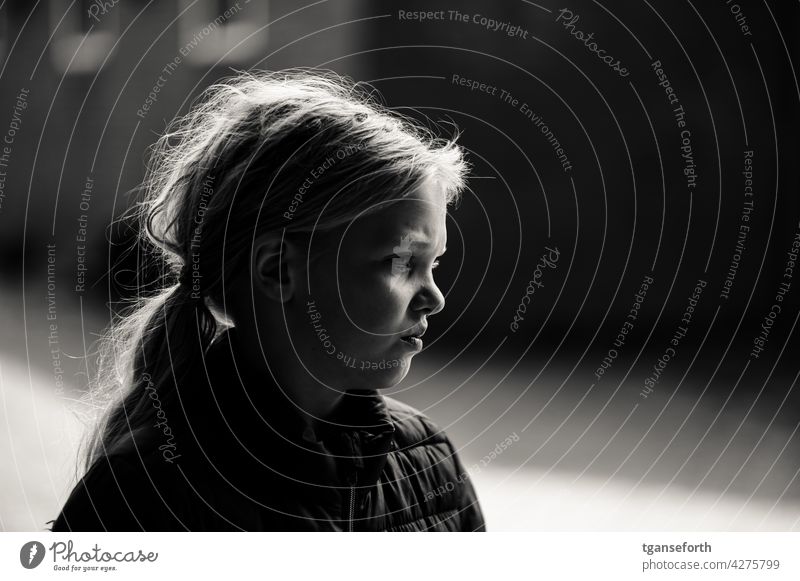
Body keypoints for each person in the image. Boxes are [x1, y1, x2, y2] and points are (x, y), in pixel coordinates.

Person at [49, 69, 485, 532]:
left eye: (432, 264)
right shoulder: (145, 499)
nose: (434, 299)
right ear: (276, 268)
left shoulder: (431, 465)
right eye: (401, 263)